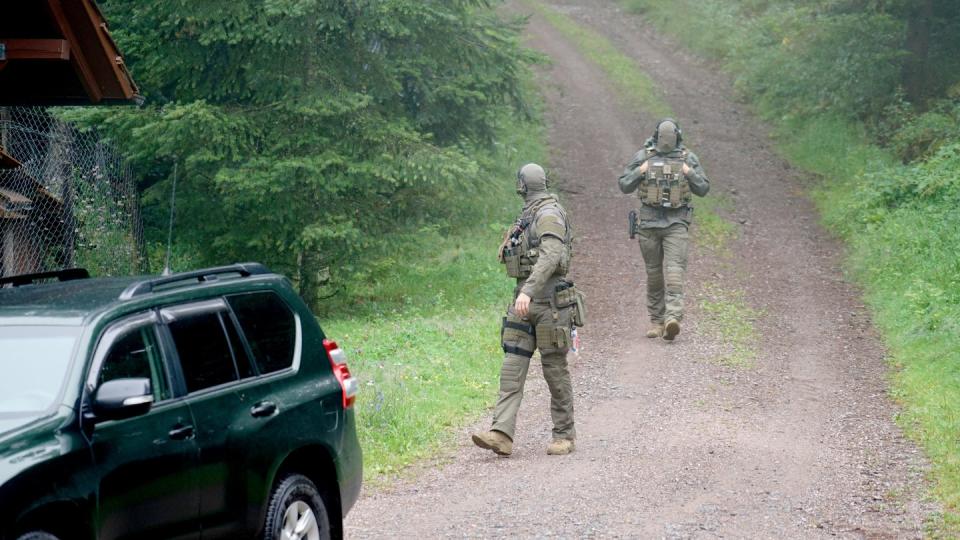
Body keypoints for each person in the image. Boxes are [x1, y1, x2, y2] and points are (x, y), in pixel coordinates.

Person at [472, 163, 583, 457]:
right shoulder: (529, 215)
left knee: (554, 370)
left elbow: (551, 256)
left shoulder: (548, 214)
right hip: (525, 303)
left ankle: (564, 435)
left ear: (522, 184)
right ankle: (501, 434)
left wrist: (529, 291)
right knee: (512, 367)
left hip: (549, 305)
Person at [618, 119, 709, 341]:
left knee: (675, 272)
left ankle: (672, 319)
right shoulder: (644, 157)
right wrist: (641, 170)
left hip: (676, 223)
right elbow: (624, 184)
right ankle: (656, 321)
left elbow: (703, 188)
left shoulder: (688, 158)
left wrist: (689, 172)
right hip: (649, 223)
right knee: (654, 274)